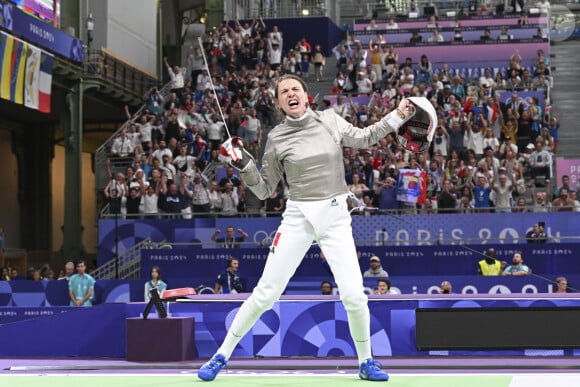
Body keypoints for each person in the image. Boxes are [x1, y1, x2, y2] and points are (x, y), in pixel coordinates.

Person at [198, 74, 435, 382]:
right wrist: (243, 163)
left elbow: (364, 137)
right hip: (298, 216)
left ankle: (366, 361)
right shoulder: (277, 137)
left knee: (354, 296)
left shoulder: (329, 120)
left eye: (295, 88)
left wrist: (397, 115)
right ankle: (220, 356)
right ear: (280, 103)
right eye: (284, 92)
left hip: (335, 216)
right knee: (266, 294)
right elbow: (264, 189)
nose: (290, 93)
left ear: (306, 96)